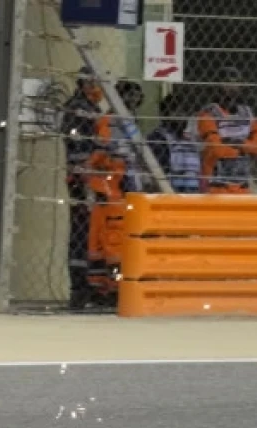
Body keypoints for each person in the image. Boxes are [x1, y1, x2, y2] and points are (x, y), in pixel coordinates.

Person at [80, 79, 145, 303]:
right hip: (113, 187)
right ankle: (107, 288)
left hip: (125, 185)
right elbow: (102, 154)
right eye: (130, 97)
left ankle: (115, 285)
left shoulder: (129, 121)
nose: (133, 102)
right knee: (111, 241)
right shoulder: (109, 121)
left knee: (120, 239)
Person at [60, 66, 105, 309]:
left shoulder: (90, 108)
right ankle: (80, 286)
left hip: (89, 176)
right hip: (83, 178)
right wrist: (86, 168)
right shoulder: (80, 108)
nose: (98, 88)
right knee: (82, 230)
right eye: (94, 83)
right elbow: (79, 145)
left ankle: (88, 283)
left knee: (87, 231)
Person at [191, 66, 257, 194]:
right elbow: (217, 150)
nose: (232, 87)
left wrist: (238, 143)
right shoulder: (208, 114)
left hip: (242, 187)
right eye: (227, 82)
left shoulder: (247, 113)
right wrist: (245, 147)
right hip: (215, 186)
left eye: (236, 82)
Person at [146, 92, 202, 193]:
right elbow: (158, 173)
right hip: (169, 195)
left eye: (184, 112)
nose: (182, 117)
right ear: (165, 115)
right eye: (177, 112)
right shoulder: (158, 138)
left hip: (192, 196)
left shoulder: (190, 141)